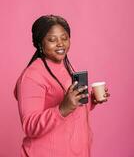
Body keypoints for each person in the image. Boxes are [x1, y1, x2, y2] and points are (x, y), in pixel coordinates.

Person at [14, 15, 110, 157]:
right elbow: (29, 126)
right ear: (40, 43)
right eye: (52, 40)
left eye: (64, 38)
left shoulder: (66, 67)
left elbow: (71, 109)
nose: (60, 44)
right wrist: (62, 109)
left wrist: (90, 101)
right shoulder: (32, 76)